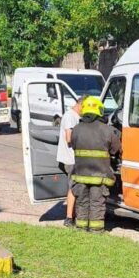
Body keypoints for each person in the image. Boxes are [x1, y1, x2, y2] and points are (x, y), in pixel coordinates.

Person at [70, 96, 121, 232]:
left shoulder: (76, 129)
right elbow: (115, 150)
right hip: (100, 175)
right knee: (97, 203)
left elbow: (73, 146)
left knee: (82, 202)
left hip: (80, 174)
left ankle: (80, 227)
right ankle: (96, 230)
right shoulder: (108, 130)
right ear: (99, 110)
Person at [56, 95, 85, 227]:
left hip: (73, 158)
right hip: (71, 158)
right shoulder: (70, 116)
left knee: (74, 186)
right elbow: (69, 139)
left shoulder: (74, 116)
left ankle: (73, 215)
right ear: (81, 104)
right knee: (73, 188)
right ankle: (69, 218)